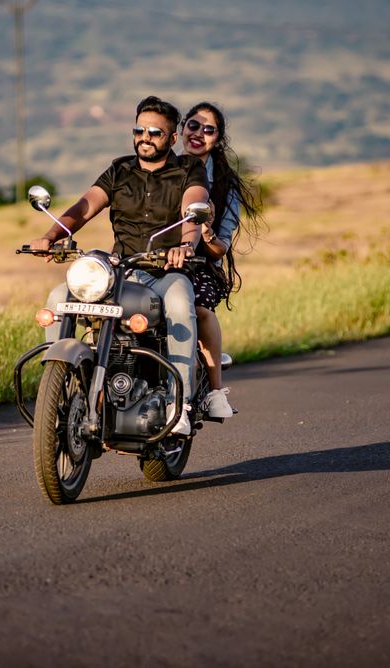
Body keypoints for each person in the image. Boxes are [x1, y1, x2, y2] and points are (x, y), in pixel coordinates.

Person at [27, 95, 211, 435]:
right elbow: (84, 207)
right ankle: (57, 391)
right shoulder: (120, 169)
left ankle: (179, 404)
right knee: (57, 298)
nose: (145, 137)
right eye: (139, 130)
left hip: (164, 272)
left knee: (180, 305)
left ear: (171, 138)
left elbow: (194, 204)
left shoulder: (188, 169)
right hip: (121, 271)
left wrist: (186, 244)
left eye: (155, 132)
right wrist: (51, 236)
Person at [179, 101, 263, 418]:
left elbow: (221, 249)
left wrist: (207, 231)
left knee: (198, 309)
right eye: (193, 125)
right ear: (181, 129)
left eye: (209, 129)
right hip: (152, 261)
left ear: (218, 139)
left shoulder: (225, 187)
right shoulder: (160, 168)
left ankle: (214, 392)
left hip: (200, 265)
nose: (199, 133)